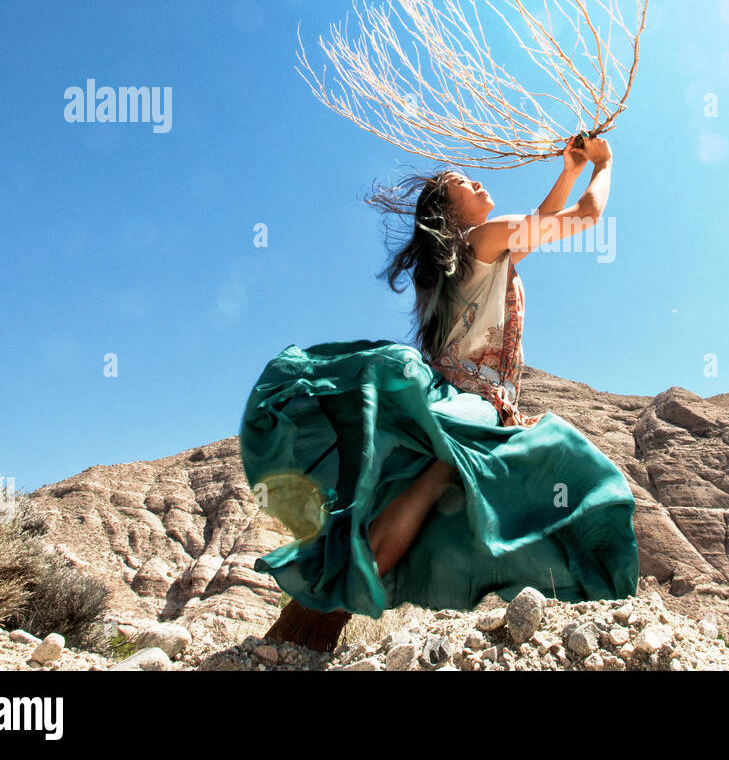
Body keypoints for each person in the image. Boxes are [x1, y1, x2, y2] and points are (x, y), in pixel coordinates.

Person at [238, 134, 638, 652]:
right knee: (570, 470)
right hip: (473, 406)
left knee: (425, 497)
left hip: (465, 403)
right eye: (460, 185)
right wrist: (603, 166)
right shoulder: (484, 239)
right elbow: (584, 216)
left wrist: (568, 169)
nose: (476, 182)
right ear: (450, 215)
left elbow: (542, 218)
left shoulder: (465, 258)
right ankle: (591, 628)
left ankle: (315, 624)